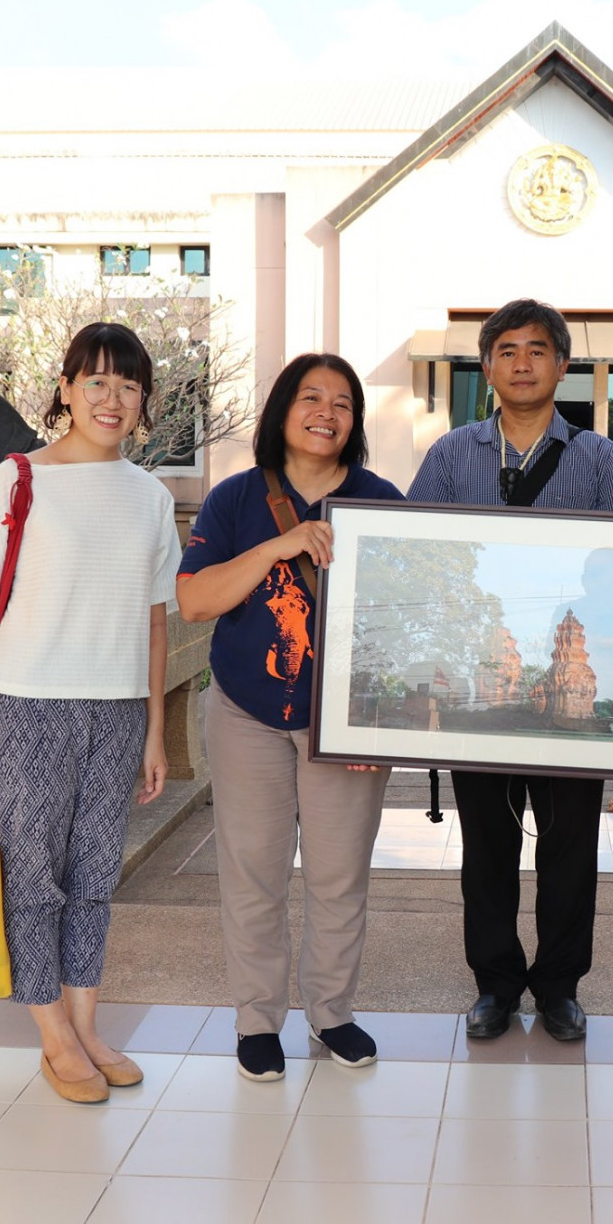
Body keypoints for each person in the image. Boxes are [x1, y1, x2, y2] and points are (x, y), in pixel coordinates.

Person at [0, 322, 181, 1104]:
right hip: (22, 706)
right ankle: (52, 1034)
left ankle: (86, 1025)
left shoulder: (150, 497)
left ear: (143, 399)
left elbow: (155, 620)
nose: (111, 400)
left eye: (127, 386)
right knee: (31, 879)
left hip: (115, 712)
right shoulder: (18, 480)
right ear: (66, 388)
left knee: (92, 877)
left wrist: (154, 728)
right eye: (96, 383)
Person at [406, 298, 613, 1041]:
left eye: (537, 350)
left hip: (564, 681)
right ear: (487, 365)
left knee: (571, 850)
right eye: (506, 350)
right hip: (486, 678)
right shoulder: (450, 455)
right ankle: (496, 986)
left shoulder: (598, 458)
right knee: (487, 849)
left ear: (561, 365)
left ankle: (561, 987)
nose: (522, 363)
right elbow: (423, 557)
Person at [176, 353, 404, 1083]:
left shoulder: (381, 499)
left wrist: (379, 721)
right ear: (282, 411)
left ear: (354, 423)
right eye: (310, 398)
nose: (326, 413)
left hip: (342, 723)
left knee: (338, 877)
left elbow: (407, 622)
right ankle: (256, 1021)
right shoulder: (234, 499)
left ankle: (331, 1013)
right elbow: (195, 599)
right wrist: (281, 544)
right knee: (253, 873)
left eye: (342, 403)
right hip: (246, 712)